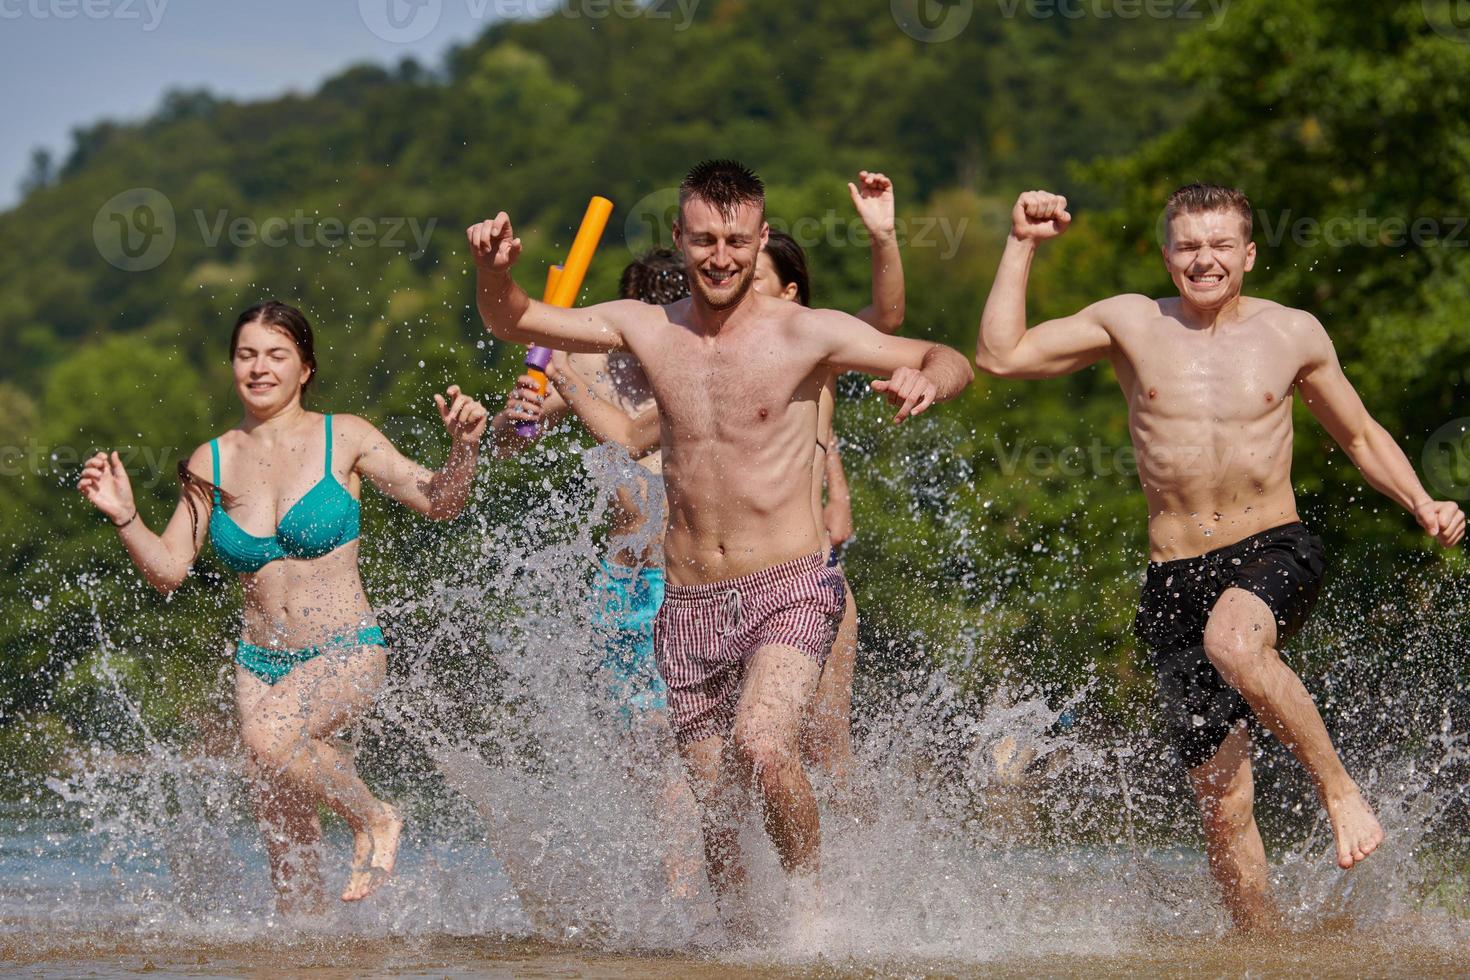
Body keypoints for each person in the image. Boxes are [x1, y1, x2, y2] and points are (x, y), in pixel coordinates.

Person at [466, 159, 972, 920]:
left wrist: (932, 380)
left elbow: (943, 353)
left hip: (790, 586)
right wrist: (491, 271)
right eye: (704, 240)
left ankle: (811, 917)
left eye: (737, 240)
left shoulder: (805, 332)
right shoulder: (645, 328)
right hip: (688, 600)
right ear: (680, 237)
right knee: (719, 814)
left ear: (761, 237)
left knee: (765, 747)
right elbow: (514, 320)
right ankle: (737, 947)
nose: (721, 255)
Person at [974, 184, 1466, 931]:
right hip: (1173, 575)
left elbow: (1360, 435)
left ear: (1248, 253)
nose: (1204, 260)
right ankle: (1262, 949)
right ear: (1168, 253)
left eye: (1220, 245)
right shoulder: (1131, 322)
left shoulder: (1292, 332)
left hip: (1272, 547)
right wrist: (1021, 244)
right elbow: (1000, 356)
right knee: (1222, 802)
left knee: (1233, 642)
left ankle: (1339, 791)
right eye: (1188, 246)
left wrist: (1421, 501)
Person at [77, 300, 488, 911]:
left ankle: (376, 818)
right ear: (232, 365)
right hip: (258, 663)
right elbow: (167, 571)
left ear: (306, 369)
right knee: (288, 850)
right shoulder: (208, 461)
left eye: (276, 355)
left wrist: (463, 450)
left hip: (345, 649)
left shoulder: (344, 436)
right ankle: (309, 957)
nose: (259, 368)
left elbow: (440, 502)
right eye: (246, 355)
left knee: (270, 738)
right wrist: (126, 516)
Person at [546, 172, 908, 791]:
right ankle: (737, 881)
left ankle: (853, 874)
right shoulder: (704, 371)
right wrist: (566, 383)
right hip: (703, 589)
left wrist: (883, 238)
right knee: (725, 774)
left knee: (820, 749)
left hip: (798, 578)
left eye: (752, 278)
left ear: (789, 296)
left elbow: (889, 318)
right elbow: (632, 436)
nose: (731, 295)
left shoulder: (811, 346)